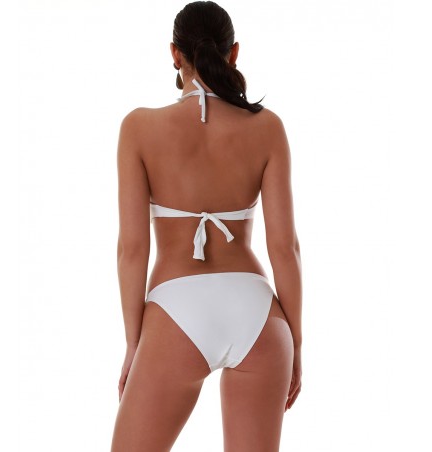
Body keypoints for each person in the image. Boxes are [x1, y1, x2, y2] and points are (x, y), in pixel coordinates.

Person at [110, 1, 302, 451]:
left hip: (176, 310)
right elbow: (285, 248)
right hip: (258, 312)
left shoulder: (139, 127)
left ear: (174, 54)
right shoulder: (267, 127)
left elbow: (132, 250)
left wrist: (134, 344)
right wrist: (295, 340)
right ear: (233, 53)